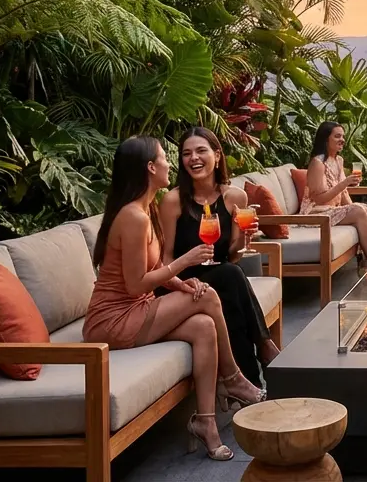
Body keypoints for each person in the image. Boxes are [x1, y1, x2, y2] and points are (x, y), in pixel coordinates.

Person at [85, 137, 265, 462]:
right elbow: (135, 285)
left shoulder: (147, 209)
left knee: (203, 326)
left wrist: (182, 283)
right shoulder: (133, 217)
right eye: (164, 157)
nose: (171, 163)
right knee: (209, 296)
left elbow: (154, 268)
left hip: (136, 309)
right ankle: (233, 377)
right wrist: (185, 262)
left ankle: (205, 422)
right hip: (113, 320)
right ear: (150, 168)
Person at [158, 128, 280, 388]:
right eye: (186, 153)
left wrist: (245, 236)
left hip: (222, 276)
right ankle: (263, 346)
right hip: (182, 281)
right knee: (231, 276)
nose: (193, 158)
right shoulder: (172, 201)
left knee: (230, 285)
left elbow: (232, 256)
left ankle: (249, 383)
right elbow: (165, 259)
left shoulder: (235, 197)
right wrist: (182, 277)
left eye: (201, 151)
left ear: (217, 155)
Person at [300, 121, 367, 270]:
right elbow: (318, 198)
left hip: (332, 210)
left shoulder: (338, 160)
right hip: (315, 213)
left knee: (363, 209)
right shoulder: (317, 163)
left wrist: (353, 206)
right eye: (337, 136)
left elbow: (343, 192)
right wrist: (345, 183)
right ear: (326, 139)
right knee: (359, 211)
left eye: (343, 136)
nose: (342, 140)